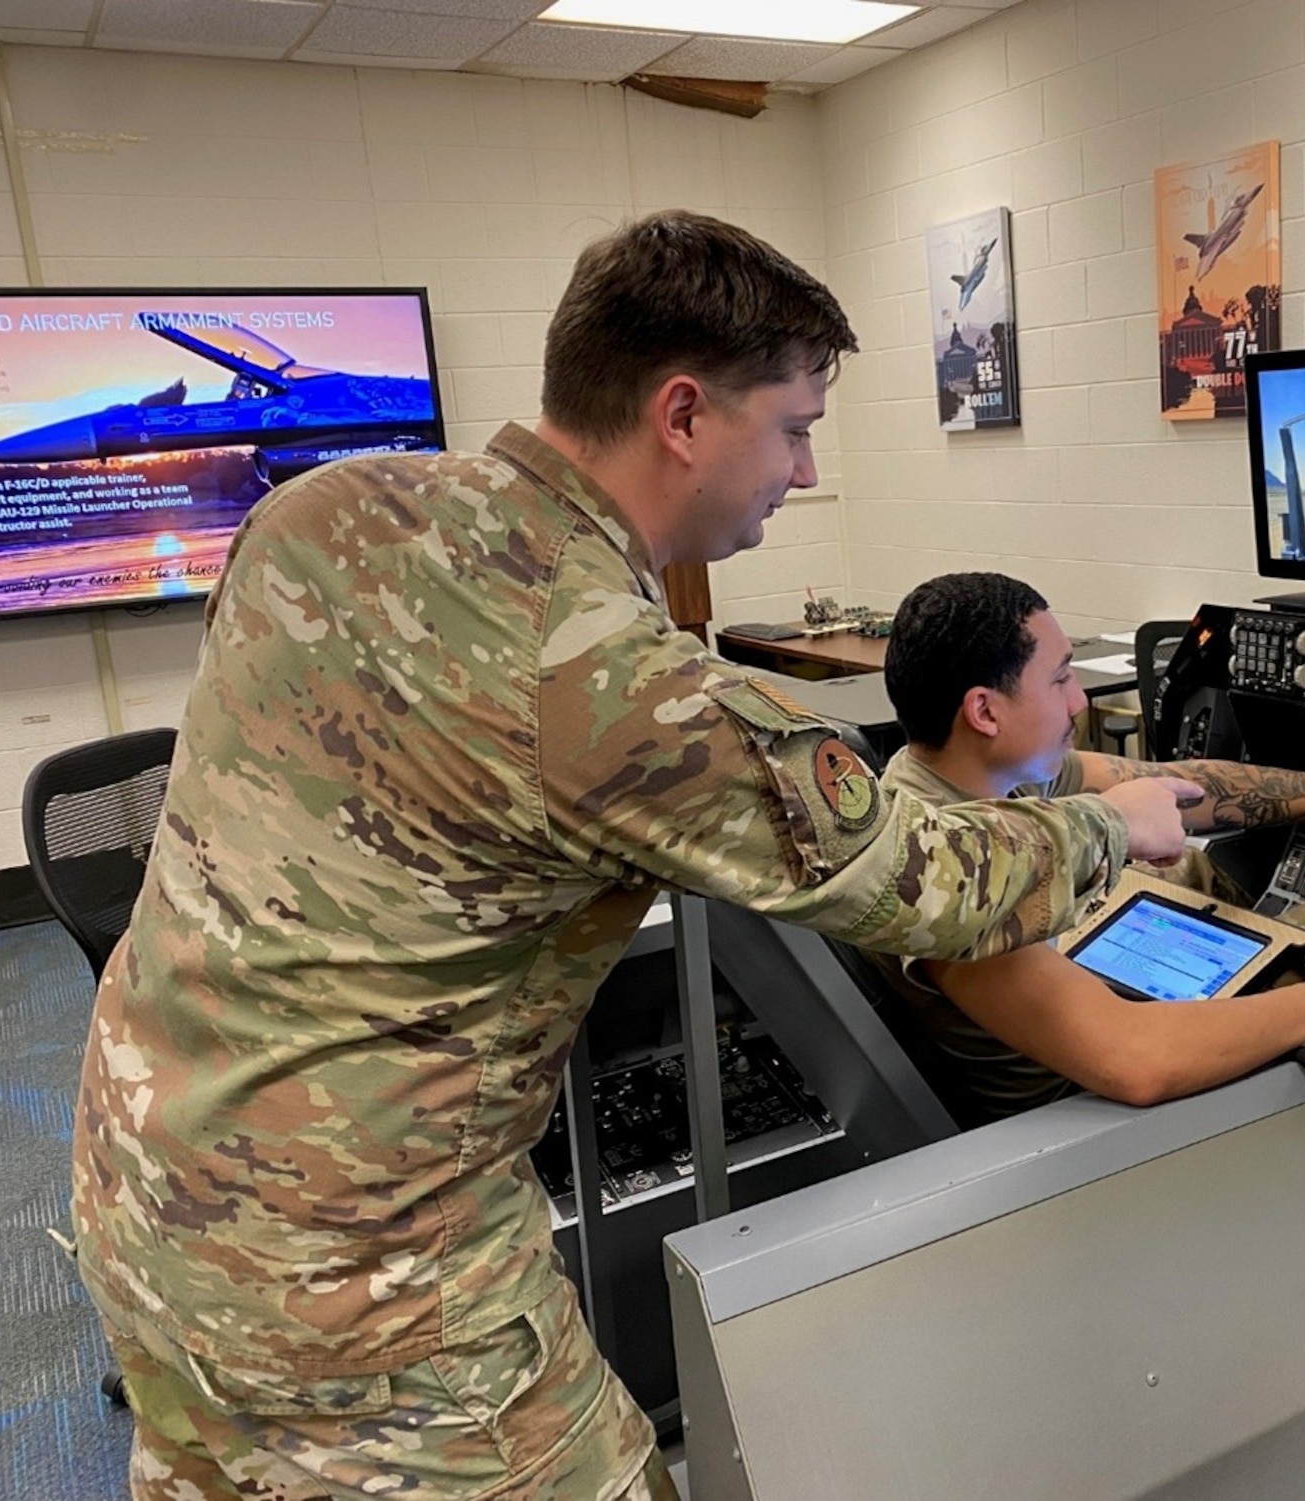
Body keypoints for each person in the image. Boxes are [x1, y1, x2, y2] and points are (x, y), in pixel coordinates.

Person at [68, 215, 1201, 1501]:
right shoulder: (606, 670)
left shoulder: (321, 509)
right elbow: (921, 880)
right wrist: (1116, 819)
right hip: (364, 1286)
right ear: (681, 415)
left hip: (143, 1189)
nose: (805, 466)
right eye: (791, 426)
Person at [872, 572, 1305, 1120]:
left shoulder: (968, 772)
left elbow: (1183, 789)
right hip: (1079, 1120)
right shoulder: (952, 878)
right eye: (1059, 680)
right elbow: (1136, 1062)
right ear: (984, 711)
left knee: (1191, 868)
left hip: (1079, 1023)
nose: (1079, 701)